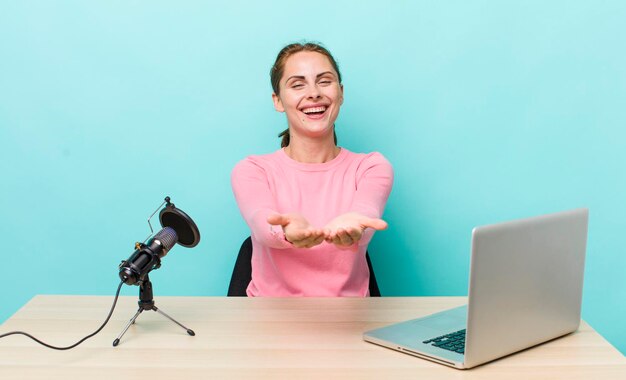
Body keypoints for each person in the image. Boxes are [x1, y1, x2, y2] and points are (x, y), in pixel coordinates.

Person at [231, 42, 393, 296]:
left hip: (348, 321)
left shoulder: (371, 167)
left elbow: (366, 212)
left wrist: (355, 226)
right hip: (269, 322)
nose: (314, 93)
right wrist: (286, 231)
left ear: (340, 92)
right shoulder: (252, 170)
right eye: (298, 84)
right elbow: (262, 224)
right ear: (278, 101)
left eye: (324, 81)